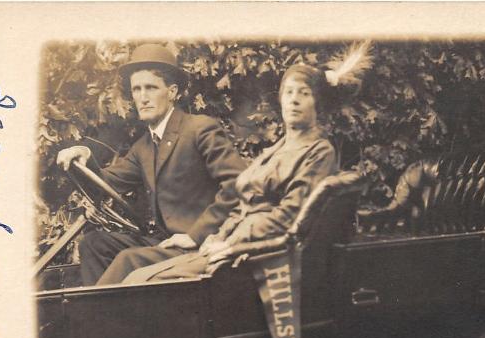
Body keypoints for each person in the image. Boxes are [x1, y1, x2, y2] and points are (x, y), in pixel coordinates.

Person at [103, 63, 341, 285]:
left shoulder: (319, 152)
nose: (294, 101)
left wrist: (229, 240)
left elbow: (290, 215)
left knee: (138, 277)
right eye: (288, 93)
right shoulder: (277, 149)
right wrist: (221, 235)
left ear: (318, 104)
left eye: (304, 94)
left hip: (259, 252)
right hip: (230, 244)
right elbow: (243, 202)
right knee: (125, 266)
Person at [56, 43, 246, 285]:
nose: (142, 97)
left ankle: (94, 320)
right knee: (94, 244)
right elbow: (105, 182)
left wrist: (196, 234)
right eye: (136, 89)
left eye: (151, 88)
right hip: (163, 243)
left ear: (172, 91)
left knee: (128, 259)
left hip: (196, 245)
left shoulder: (199, 129)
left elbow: (239, 184)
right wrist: (83, 152)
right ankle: (113, 319)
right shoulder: (144, 147)